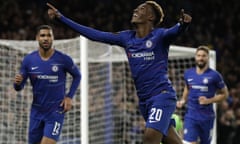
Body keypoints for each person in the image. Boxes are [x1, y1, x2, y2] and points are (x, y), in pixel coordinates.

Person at [47, 1, 192, 144]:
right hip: (144, 102)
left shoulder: (159, 36)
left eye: (141, 9)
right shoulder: (126, 37)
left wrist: (183, 24)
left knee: (149, 138)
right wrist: (61, 18)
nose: (135, 10)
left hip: (162, 96)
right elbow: (95, 35)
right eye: (136, 8)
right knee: (172, 140)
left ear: (151, 17)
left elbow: (175, 30)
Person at [13, 25, 81, 144]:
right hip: (36, 112)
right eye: (42, 35)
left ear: (53, 38)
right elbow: (19, 87)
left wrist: (69, 96)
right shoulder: (29, 60)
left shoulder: (63, 59)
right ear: (37, 38)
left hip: (55, 112)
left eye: (49, 35)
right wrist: (17, 84)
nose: (46, 38)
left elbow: (77, 75)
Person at [176, 45, 229, 144]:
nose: (201, 58)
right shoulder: (188, 73)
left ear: (208, 58)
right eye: (199, 55)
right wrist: (183, 100)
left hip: (207, 117)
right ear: (195, 57)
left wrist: (209, 100)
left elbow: (225, 94)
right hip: (191, 116)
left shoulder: (215, 75)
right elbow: (187, 87)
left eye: (203, 56)